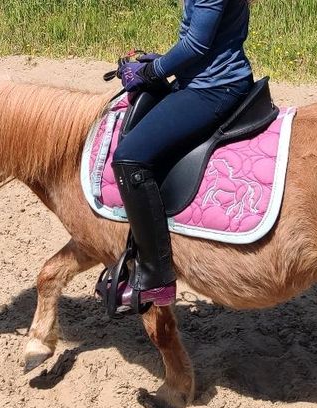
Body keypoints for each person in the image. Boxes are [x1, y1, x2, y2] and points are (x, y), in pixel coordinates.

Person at [103, 0, 255, 313]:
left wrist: (148, 71)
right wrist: (165, 62)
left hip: (213, 88)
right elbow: (209, 39)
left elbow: (196, 44)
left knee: (129, 157)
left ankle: (155, 277)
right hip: (208, 79)